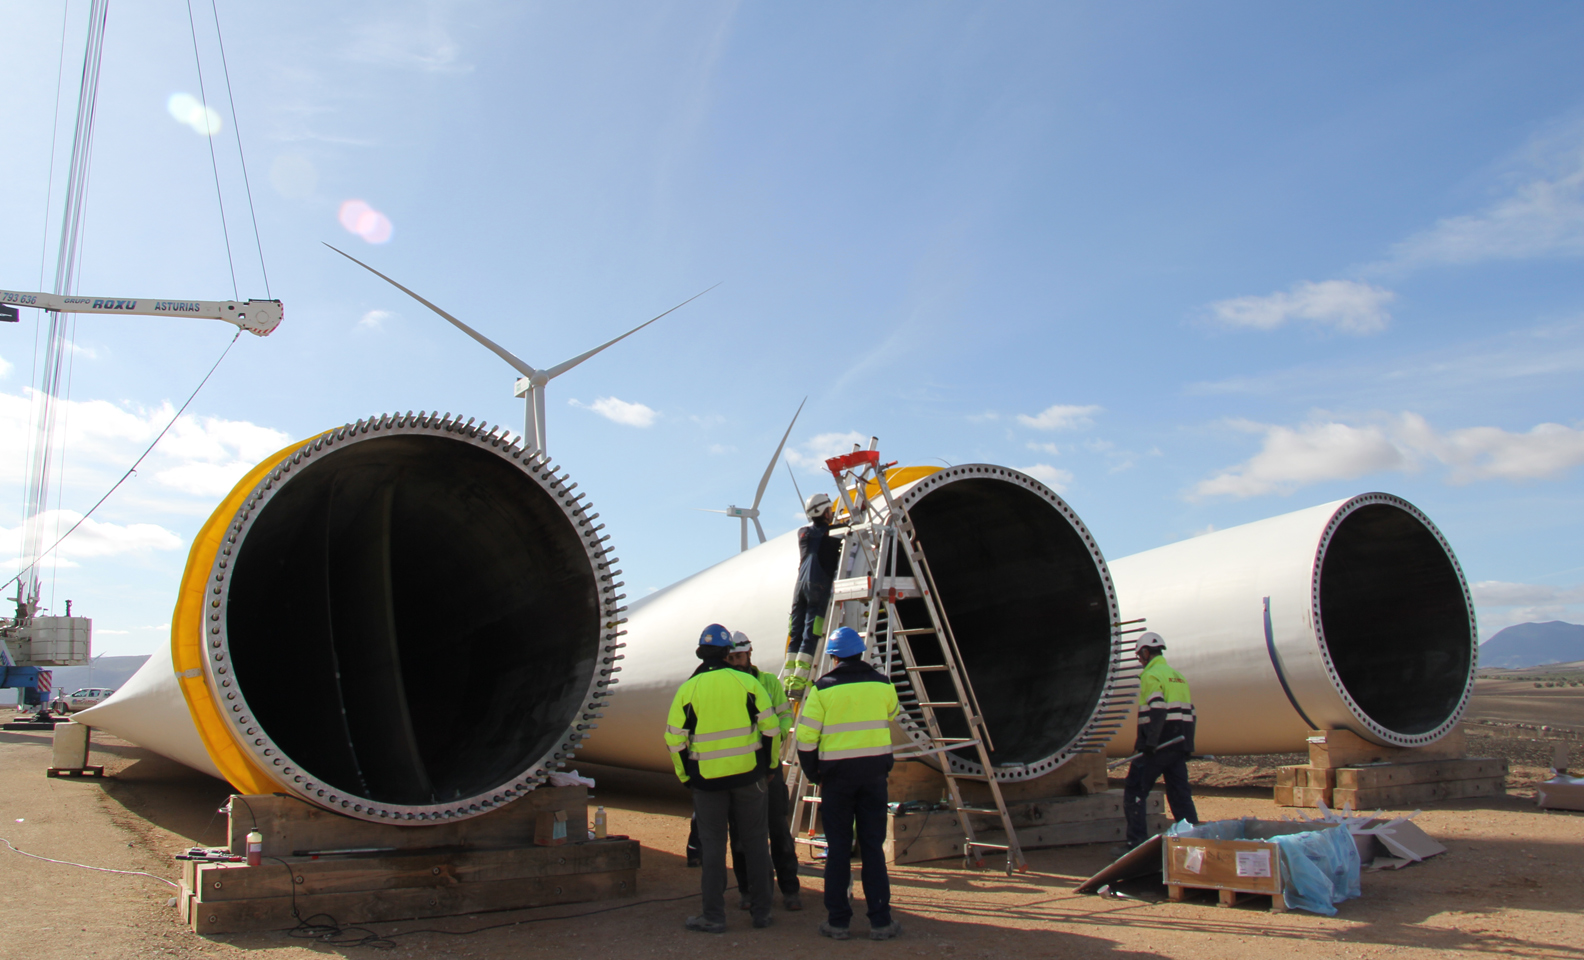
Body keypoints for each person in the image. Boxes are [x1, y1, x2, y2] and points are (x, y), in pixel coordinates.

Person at [666, 623, 780, 933]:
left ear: (701, 653)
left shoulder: (689, 689)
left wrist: (686, 777)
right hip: (749, 778)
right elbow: (771, 729)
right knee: (757, 843)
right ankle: (762, 913)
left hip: (707, 782)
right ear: (728, 652)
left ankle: (713, 916)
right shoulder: (747, 683)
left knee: (713, 847)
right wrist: (768, 767)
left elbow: (675, 740)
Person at [795, 626, 903, 941]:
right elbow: (893, 713)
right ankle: (881, 922)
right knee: (872, 847)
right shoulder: (883, 684)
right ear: (860, 653)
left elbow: (805, 740)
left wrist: (815, 774)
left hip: (837, 779)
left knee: (839, 849)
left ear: (833, 657)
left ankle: (838, 922)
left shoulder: (821, 689)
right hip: (873, 777)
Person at [725, 631, 802, 911]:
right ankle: (748, 891)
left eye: (740, 656)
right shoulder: (726, 684)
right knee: (741, 836)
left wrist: (775, 736)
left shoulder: (768, 682)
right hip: (740, 770)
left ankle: (790, 890)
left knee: (779, 831)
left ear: (750, 654)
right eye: (731, 657)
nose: (736, 662)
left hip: (768, 769)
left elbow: (785, 715)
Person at [1122, 632, 1199, 850]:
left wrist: (1150, 743)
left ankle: (1136, 845)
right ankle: (1196, 840)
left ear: (1146, 653)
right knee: (1180, 794)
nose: (1140, 660)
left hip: (1157, 746)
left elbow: (1157, 709)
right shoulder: (1178, 676)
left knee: (1135, 790)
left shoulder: (1151, 675)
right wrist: (1187, 747)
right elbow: (1191, 713)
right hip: (1177, 744)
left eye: (1139, 656)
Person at [784, 492, 842, 696]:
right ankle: (799, 682)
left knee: (795, 634)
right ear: (825, 512)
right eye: (830, 510)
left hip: (799, 589)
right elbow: (838, 536)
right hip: (818, 587)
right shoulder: (834, 533)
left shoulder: (803, 533)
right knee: (811, 634)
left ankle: (788, 679)